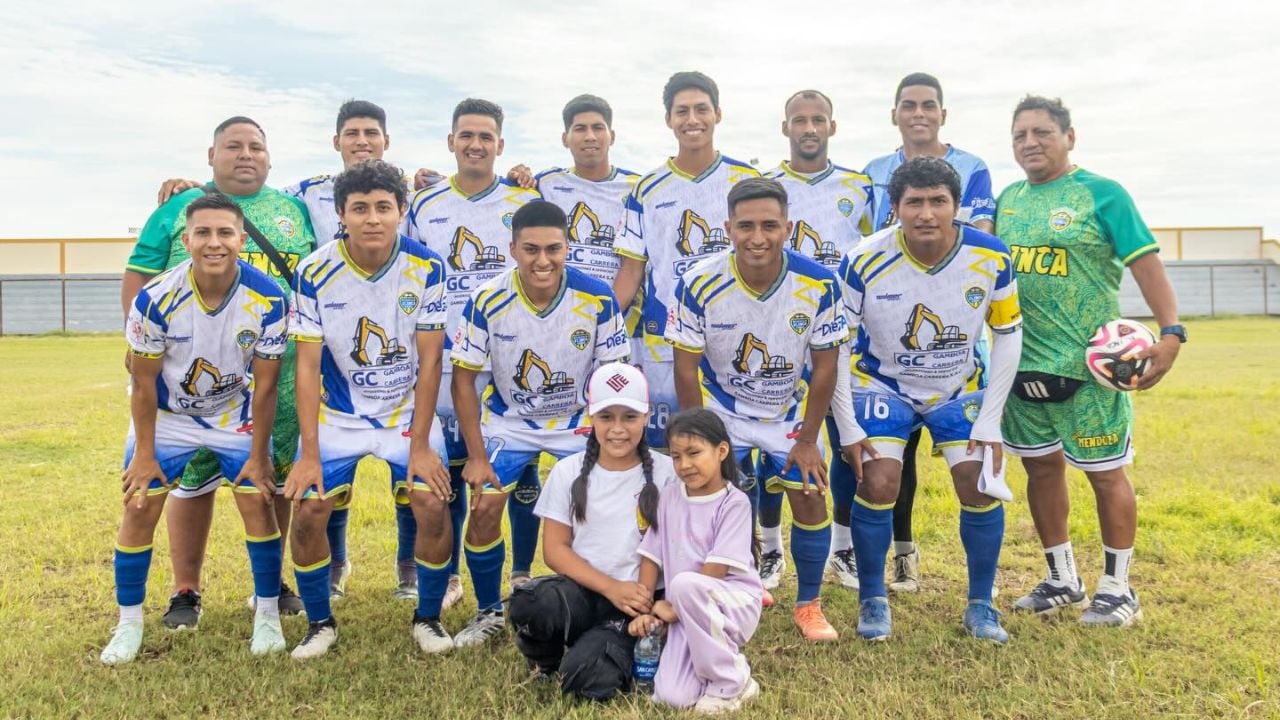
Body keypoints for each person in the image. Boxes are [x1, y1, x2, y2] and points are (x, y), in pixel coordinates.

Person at [154, 101, 425, 602]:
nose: (361, 141)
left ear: (386, 142)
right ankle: (334, 565)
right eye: (351, 133)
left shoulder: (414, 191)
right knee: (324, 463)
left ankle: (409, 569)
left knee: (407, 467)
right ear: (336, 141)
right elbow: (244, 195)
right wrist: (194, 185)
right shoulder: (303, 195)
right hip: (314, 340)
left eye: (371, 133)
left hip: (395, 344)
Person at [997, 96, 1182, 627]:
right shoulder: (1008, 199)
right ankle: (1062, 578)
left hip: (1094, 369)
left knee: (1105, 475)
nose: (1030, 143)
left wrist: (1171, 333)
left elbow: (1146, 265)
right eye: (1020, 135)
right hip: (1023, 368)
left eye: (1042, 132)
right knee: (1040, 469)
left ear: (1069, 136)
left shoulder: (1102, 194)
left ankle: (1119, 589)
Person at [122, 116, 315, 626]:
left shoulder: (292, 208)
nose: (245, 154)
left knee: (266, 476)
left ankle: (270, 585)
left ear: (270, 158)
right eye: (233, 146)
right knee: (191, 482)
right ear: (211, 156)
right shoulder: (177, 208)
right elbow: (139, 275)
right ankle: (186, 589)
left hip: (277, 367)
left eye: (256, 146)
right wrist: (135, 345)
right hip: (186, 372)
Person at [832, 156, 1022, 644]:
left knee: (977, 484)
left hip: (957, 385)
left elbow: (1009, 335)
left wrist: (991, 421)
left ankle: (981, 604)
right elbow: (834, 342)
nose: (926, 212)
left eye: (938, 201)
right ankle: (873, 597)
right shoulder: (861, 259)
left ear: (956, 206)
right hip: (882, 383)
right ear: (894, 208)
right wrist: (849, 426)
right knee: (879, 481)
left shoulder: (992, 257)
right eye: (914, 202)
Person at [101, 193, 289, 664]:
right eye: (202, 233)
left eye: (225, 233)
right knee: (140, 503)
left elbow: (265, 388)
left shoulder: (268, 297)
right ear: (186, 240)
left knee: (256, 499)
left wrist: (258, 454)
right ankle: (129, 624)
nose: (214, 242)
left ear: (241, 240)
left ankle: (266, 614)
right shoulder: (155, 298)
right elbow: (142, 385)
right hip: (169, 417)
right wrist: (145, 455)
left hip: (232, 413)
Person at [283, 159, 452, 659]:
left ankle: (429, 617)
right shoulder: (314, 270)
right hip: (339, 417)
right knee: (310, 507)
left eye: (383, 207)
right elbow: (308, 368)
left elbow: (430, 362)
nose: (372, 218)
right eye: (360, 208)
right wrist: (309, 453)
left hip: (404, 416)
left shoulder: (427, 266)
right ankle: (319, 623)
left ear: (402, 210)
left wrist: (420, 445)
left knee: (432, 502)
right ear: (342, 214)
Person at [667, 177, 848, 641]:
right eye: (746, 226)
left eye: (770, 225)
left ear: (788, 227)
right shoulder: (697, 282)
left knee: (809, 493)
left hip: (787, 411)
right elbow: (685, 368)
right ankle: (736, 586)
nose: (758, 237)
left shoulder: (820, 282)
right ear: (728, 228)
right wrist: (701, 438)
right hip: (721, 408)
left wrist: (808, 440)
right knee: (711, 497)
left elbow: (826, 366)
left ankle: (808, 603)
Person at [449, 200, 631, 647]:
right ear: (512, 249)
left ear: (568, 247)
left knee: (605, 504)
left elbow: (614, 377)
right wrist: (475, 456)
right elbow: (463, 380)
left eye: (553, 248)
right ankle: (489, 611)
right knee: (487, 503)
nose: (543, 260)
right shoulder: (487, 298)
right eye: (531, 249)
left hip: (576, 422)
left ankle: (599, 603)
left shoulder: (597, 296)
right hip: (510, 422)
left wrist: (614, 439)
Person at [863, 72, 998, 592]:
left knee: (964, 466)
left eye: (928, 105)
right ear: (893, 114)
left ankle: (977, 593)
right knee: (893, 460)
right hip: (887, 334)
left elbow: (978, 242)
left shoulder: (973, 168)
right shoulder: (874, 171)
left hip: (952, 337)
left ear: (943, 113)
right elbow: (867, 246)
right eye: (908, 105)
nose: (918, 113)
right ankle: (904, 553)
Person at [406, 99, 543, 597]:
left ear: (500, 146)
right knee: (458, 462)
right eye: (467, 135)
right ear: (451, 142)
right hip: (446, 357)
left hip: (511, 353)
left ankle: (522, 570)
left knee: (519, 461)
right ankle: (454, 578)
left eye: (486, 137)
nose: (476, 144)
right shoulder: (424, 203)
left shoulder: (521, 200)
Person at [507, 362, 676, 700]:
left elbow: (673, 546)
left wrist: (645, 601)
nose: (618, 429)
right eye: (606, 416)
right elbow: (555, 550)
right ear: (590, 417)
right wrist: (611, 588)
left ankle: (605, 647)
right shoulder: (567, 471)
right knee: (529, 602)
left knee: (589, 680)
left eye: (629, 417)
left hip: (638, 605)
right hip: (586, 591)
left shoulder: (668, 473)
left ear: (646, 417)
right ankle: (546, 661)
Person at [762, 89, 875, 592]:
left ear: (833, 126)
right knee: (772, 440)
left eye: (818, 120)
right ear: (784, 127)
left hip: (840, 335)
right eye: (799, 120)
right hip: (777, 333)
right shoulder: (764, 184)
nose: (809, 128)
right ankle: (768, 548)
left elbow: (874, 255)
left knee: (842, 438)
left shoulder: (860, 187)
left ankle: (843, 547)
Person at [612, 71, 760, 451]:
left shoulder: (746, 178)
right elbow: (632, 271)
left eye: (701, 109)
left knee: (739, 450)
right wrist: (601, 324)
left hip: (737, 332)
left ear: (718, 114)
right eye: (682, 111)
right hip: (666, 338)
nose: (692, 120)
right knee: (669, 450)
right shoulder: (647, 188)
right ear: (669, 120)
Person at [629, 408, 763, 714]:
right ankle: (714, 671)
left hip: (731, 603)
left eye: (694, 453)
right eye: (676, 456)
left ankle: (733, 680)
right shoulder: (670, 497)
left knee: (686, 584)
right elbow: (652, 555)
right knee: (672, 697)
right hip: (684, 607)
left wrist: (672, 608)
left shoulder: (735, 503)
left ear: (721, 451)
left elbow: (716, 570)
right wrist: (647, 608)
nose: (685, 464)